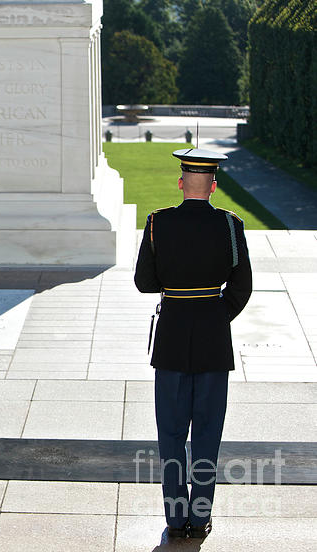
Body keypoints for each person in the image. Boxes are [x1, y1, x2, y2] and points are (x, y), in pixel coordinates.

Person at [134, 148, 252, 539]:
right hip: (213, 341)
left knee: (170, 434)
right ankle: (200, 517)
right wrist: (216, 316)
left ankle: (175, 517)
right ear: (214, 186)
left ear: (182, 182)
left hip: (171, 338)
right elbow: (241, 285)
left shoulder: (157, 223)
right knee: (206, 433)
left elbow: (144, 283)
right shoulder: (231, 226)